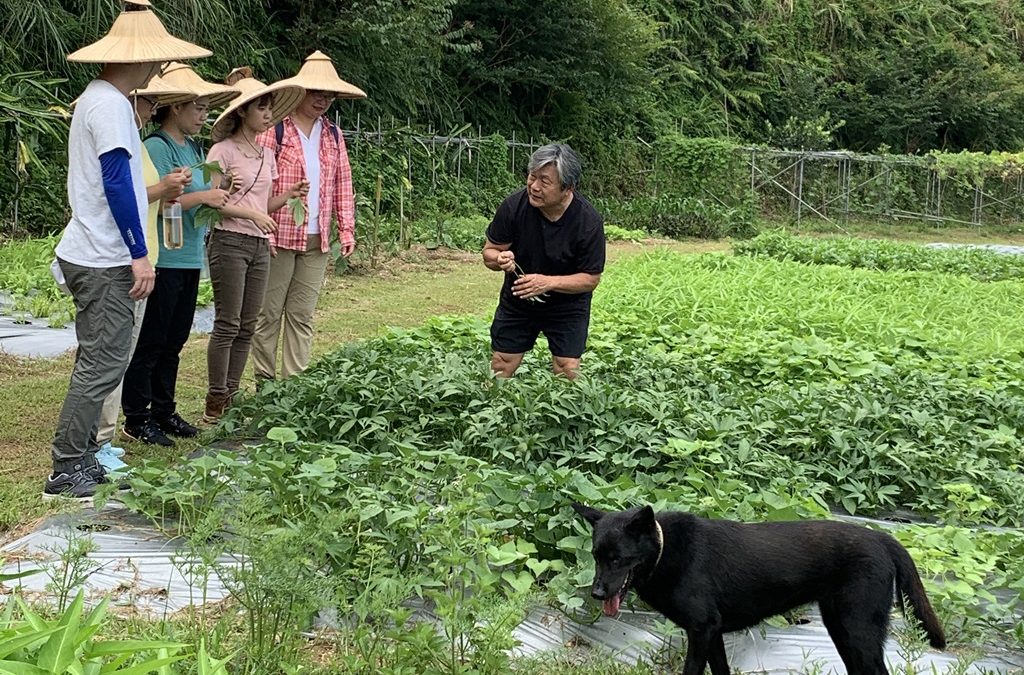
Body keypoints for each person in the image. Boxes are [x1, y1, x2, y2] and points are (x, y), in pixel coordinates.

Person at [46, 2, 210, 500]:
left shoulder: (98, 99)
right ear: (145, 59)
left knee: (103, 361)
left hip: (94, 250)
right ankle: (66, 466)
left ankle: (83, 456)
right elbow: (118, 182)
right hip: (104, 256)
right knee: (103, 363)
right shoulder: (112, 106)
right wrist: (139, 252)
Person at [120, 64, 239, 446]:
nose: (204, 116)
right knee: (152, 341)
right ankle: (137, 417)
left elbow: (199, 195)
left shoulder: (194, 149)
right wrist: (204, 195)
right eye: (198, 108)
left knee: (175, 341)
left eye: (206, 109)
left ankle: (164, 411)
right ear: (176, 108)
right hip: (165, 257)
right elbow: (158, 198)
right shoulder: (157, 146)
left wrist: (220, 187)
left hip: (189, 256)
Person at [92, 75, 195, 471]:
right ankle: (100, 438)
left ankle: (106, 435)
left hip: (145, 252)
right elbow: (117, 192)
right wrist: (164, 189)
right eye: (149, 102)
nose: (152, 110)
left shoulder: (135, 140)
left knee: (128, 350)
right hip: (122, 257)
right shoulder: (128, 136)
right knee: (112, 353)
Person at [252, 51, 365, 382]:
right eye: (316, 92)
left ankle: (294, 384)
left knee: (302, 314)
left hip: (317, 238)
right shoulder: (275, 130)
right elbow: (260, 181)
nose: (322, 100)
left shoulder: (332, 134)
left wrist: (346, 230)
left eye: (328, 95)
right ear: (299, 91)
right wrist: (263, 229)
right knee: (269, 313)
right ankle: (265, 382)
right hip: (279, 233)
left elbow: (343, 183)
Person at [203, 68, 305, 423]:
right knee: (228, 322)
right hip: (229, 240)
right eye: (261, 108)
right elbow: (213, 203)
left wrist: (287, 196)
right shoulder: (222, 151)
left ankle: (232, 393)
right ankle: (216, 397)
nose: (268, 114)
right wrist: (253, 216)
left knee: (248, 323)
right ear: (242, 111)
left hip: (260, 245)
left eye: (270, 108)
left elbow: (264, 205)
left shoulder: (266, 154)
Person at [482, 144, 605, 380]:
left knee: (567, 368)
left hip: (567, 305)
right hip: (519, 299)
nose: (534, 186)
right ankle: (490, 403)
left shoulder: (588, 221)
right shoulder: (513, 207)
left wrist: (547, 283)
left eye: (544, 181)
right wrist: (499, 258)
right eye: (532, 176)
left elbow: (590, 279)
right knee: (501, 363)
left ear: (567, 188)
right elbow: (489, 252)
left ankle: (568, 405)